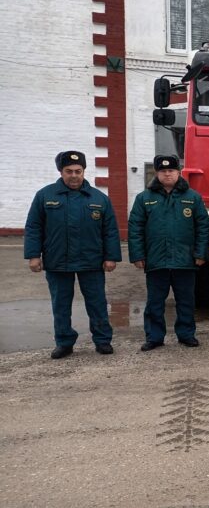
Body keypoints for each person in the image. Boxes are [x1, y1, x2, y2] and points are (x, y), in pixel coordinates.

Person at [24, 151, 121, 359]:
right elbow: (34, 227)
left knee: (97, 302)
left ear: (84, 171)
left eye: (78, 171)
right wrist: (33, 255)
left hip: (91, 261)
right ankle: (64, 342)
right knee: (60, 305)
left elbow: (110, 230)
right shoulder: (45, 196)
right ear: (61, 171)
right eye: (69, 171)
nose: (74, 175)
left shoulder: (99, 198)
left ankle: (103, 340)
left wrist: (111, 257)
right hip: (57, 260)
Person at [127, 155, 209, 351]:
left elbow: (203, 227)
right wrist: (138, 255)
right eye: (163, 171)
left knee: (186, 301)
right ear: (157, 173)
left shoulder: (193, 197)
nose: (167, 174)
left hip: (185, 260)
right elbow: (135, 228)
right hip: (156, 260)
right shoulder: (144, 198)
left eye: (171, 170)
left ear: (178, 172)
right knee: (155, 302)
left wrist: (201, 254)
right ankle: (154, 337)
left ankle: (186, 334)